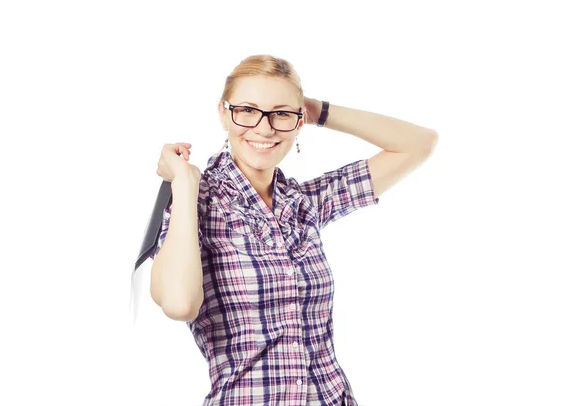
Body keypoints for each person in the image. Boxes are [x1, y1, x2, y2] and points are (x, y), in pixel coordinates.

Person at [149, 55, 438, 406]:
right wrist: (184, 180)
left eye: (281, 114)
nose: (265, 128)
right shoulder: (196, 203)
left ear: (298, 122)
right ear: (224, 114)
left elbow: (419, 143)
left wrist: (316, 111)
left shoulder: (304, 203)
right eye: (248, 110)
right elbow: (179, 304)